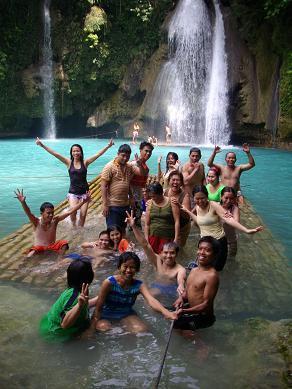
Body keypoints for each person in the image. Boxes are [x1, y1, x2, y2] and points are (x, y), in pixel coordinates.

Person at [91, 251, 178, 333]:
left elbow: (151, 300)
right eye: (125, 266)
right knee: (103, 328)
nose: (128, 270)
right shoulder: (109, 282)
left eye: (132, 267)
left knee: (141, 329)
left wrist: (166, 312)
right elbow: (98, 308)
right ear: (119, 267)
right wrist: (90, 328)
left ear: (137, 270)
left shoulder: (139, 285)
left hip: (125, 313)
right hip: (106, 313)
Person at [36, 137, 114, 227]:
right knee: (73, 212)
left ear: (81, 153)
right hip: (73, 192)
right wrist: (42, 145)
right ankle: (74, 227)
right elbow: (55, 154)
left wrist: (108, 146)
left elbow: (98, 154)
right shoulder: (68, 162)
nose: (76, 153)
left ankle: (80, 230)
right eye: (74, 151)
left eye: (78, 151)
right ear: (71, 153)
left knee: (83, 215)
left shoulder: (85, 163)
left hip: (85, 193)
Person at [181, 185, 263, 271]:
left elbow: (229, 219)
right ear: (193, 198)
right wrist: (188, 211)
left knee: (215, 272)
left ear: (207, 196)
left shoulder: (214, 205)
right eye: (197, 199)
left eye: (202, 198)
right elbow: (199, 221)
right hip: (204, 243)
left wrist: (246, 230)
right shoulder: (197, 207)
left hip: (218, 243)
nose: (200, 201)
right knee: (202, 270)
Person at [125, 210, 186, 299]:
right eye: (166, 253)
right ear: (160, 253)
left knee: (181, 298)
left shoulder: (180, 269)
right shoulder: (157, 261)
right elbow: (145, 244)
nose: (168, 256)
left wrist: (181, 285)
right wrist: (133, 226)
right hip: (158, 287)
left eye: (172, 253)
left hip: (173, 290)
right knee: (145, 297)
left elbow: (181, 280)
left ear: (176, 254)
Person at [15, 189, 90, 257]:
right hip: (39, 248)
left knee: (63, 243)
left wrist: (83, 202)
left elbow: (70, 211)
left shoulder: (55, 220)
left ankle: (59, 260)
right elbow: (28, 213)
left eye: (52, 213)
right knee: (32, 252)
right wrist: (23, 202)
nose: (51, 215)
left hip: (51, 247)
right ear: (42, 213)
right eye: (48, 213)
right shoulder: (36, 221)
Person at [39, 258, 97, 341]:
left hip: (51, 326)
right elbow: (64, 324)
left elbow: (84, 305)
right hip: (55, 334)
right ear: (88, 276)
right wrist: (80, 305)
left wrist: (99, 298)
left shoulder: (76, 290)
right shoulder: (73, 296)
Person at [173, 236, 220, 333]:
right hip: (191, 309)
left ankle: (200, 346)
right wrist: (181, 298)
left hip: (203, 318)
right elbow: (187, 292)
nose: (202, 252)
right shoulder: (194, 270)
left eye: (207, 250)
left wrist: (184, 311)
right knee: (165, 313)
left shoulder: (211, 276)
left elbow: (206, 305)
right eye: (200, 249)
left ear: (214, 255)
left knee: (176, 325)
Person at [101, 144, 138, 231]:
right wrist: (105, 204)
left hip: (125, 205)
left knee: (123, 230)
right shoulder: (109, 167)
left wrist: (132, 198)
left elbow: (127, 183)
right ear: (118, 154)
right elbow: (103, 186)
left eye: (128, 156)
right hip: (113, 205)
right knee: (113, 232)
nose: (125, 158)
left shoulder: (128, 166)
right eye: (123, 156)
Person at [144, 182, 180, 254]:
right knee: (153, 259)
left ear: (160, 194)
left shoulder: (172, 202)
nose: (152, 198)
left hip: (168, 237)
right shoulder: (150, 203)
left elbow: (177, 221)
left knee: (167, 259)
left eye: (154, 196)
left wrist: (176, 239)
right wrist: (146, 240)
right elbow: (147, 224)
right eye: (151, 196)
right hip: (153, 237)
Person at [164, 171, 192, 247]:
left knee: (178, 249)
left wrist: (178, 205)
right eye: (173, 180)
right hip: (169, 225)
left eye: (178, 180)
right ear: (169, 181)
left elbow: (187, 216)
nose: (175, 182)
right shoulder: (165, 192)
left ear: (181, 183)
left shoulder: (185, 195)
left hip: (183, 227)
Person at [130, 141, 154, 227]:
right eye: (146, 151)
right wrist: (131, 198)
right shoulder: (133, 164)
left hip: (138, 199)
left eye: (150, 152)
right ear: (140, 150)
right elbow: (127, 182)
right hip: (132, 199)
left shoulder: (144, 165)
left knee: (136, 224)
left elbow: (142, 184)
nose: (148, 153)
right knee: (132, 224)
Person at [220, 187, 240, 258]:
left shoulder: (235, 208)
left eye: (231, 198)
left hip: (230, 242)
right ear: (221, 196)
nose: (228, 201)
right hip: (216, 240)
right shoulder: (216, 206)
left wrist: (229, 217)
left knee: (230, 262)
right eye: (226, 198)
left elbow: (236, 223)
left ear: (234, 199)